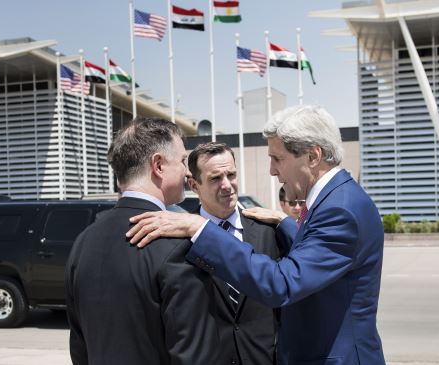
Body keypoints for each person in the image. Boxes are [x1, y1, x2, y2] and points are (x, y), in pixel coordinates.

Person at [126, 105, 386, 365]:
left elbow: (282, 283)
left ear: (312, 156)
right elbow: (317, 260)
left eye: (278, 159)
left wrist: (200, 229)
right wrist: (285, 223)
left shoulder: (340, 209)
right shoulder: (333, 201)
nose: (273, 171)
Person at [65, 117, 219, 365]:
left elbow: (79, 345)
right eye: (181, 161)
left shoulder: (84, 241)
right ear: (158, 165)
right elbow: (195, 356)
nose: (187, 171)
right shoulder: (178, 246)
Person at [187, 142, 285, 364]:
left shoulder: (267, 232)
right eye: (215, 178)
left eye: (231, 175)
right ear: (194, 185)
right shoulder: (180, 237)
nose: (227, 185)